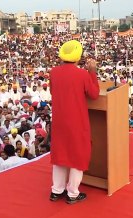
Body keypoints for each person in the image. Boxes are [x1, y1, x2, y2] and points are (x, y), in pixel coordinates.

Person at [49, 40, 100, 204]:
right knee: (78, 154)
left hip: (59, 121)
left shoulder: (53, 72)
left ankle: (56, 190)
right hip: (77, 121)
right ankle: (72, 193)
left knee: (60, 154)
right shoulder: (82, 74)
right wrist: (92, 72)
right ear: (78, 56)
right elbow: (94, 94)